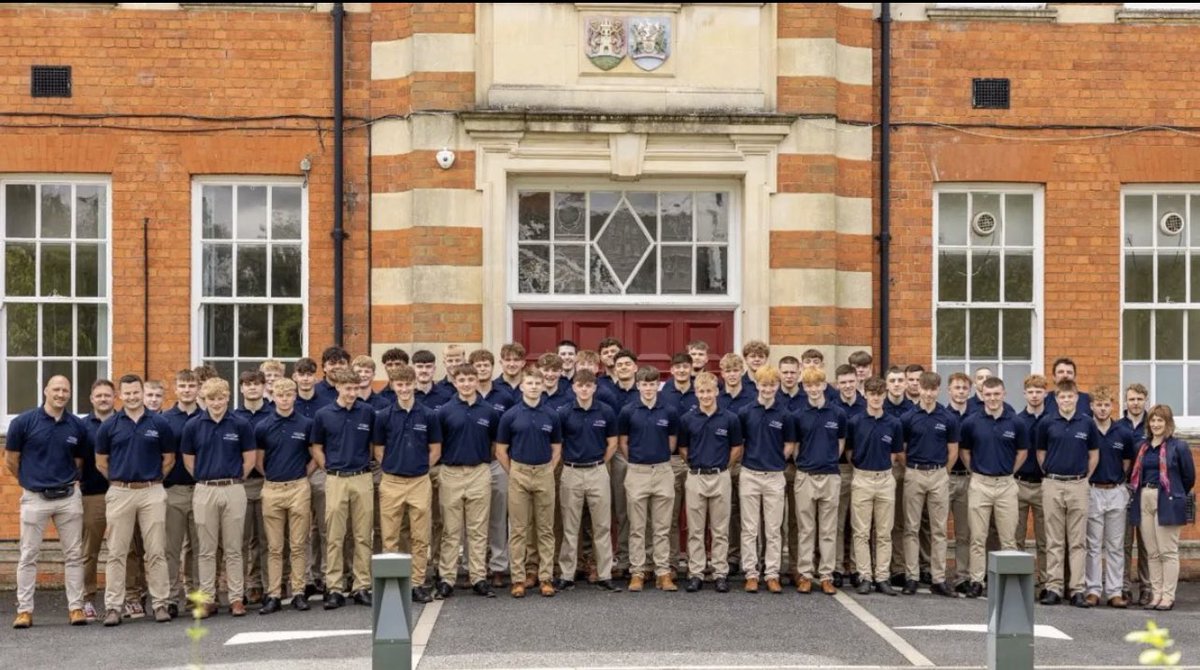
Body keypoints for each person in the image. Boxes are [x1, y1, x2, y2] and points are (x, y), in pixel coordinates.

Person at [7, 375, 90, 628]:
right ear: (45, 391)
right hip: (35, 497)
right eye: (56, 389)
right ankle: (24, 611)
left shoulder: (77, 426)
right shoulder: (24, 422)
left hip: (68, 498)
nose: (61, 394)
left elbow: (78, 461)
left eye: (65, 390)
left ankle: (76, 608)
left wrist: (68, 481)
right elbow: (11, 460)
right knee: (28, 555)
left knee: (74, 555)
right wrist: (30, 482)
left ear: (70, 394)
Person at [95, 374, 175, 626]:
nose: (131, 397)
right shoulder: (109, 425)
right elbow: (101, 462)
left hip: (152, 491)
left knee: (156, 551)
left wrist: (153, 481)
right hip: (120, 491)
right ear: (120, 395)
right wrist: (121, 482)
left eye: (135, 392)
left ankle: (160, 603)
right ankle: (113, 607)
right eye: (126, 393)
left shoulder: (159, 423)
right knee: (117, 552)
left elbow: (169, 458)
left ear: (142, 392)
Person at [182, 377, 256, 619]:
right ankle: (207, 599)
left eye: (220, 398)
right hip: (205, 489)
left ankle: (236, 598)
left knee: (235, 548)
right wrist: (206, 479)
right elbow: (189, 461)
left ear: (228, 397)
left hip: (233, 487)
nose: (216, 403)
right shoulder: (193, 426)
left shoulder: (240, 424)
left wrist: (235, 480)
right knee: (206, 550)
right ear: (204, 399)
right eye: (211, 399)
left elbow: (250, 459)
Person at [373, 365, 441, 604]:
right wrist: (394, 467)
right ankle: (393, 584)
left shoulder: (429, 415)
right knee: (390, 536)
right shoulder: (383, 416)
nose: (403, 389)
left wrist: (420, 467)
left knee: (420, 536)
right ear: (392, 385)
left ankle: (417, 583)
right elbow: (378, 450)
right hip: (391, 481)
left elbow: (435, 450)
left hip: (419, 481)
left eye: (407, 384)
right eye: (398, 384)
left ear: (414, 384)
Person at [311, 368, 376, 609]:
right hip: (336, 478)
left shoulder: (367, 412)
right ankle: (335, 587)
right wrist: (327, 466)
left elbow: (373, 444)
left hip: (362, 477)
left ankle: (361, 586)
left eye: (356, 389)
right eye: (347, 389)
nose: (352, 393)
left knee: (362, 535)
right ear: (338, 387)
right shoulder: (324, 414)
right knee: (335, 536)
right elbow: (316, 446)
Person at [434, 364, 500, 599]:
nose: (466, 384)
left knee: (478, 529)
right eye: (462, 380)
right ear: (455, 382)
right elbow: (437, 444)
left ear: (476, 381)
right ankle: (447, 578)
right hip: (451, 472)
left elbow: (495, 444)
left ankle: (478, 577)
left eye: (471, 380)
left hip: (479, 471)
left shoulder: (489, 411)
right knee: (451, 530)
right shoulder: (444, 411)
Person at [496, 366, 563, 598]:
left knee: (545, 529)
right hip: (519, 473)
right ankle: (518, 578)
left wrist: (547, 470)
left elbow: (556, 448)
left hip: (544, 471)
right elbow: (501, 450)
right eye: (530, 383)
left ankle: (545, 577)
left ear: (543, 386)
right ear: (522, 386)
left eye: (537, 383)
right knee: (518, 529)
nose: (534, 387)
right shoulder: (511, 415)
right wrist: (513, 471)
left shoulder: (552, 415)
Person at [958, 376, 1027, 598]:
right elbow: (965, 451)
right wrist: (975, 472)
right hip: (980, 483)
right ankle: (976, 580)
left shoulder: (1016, 422)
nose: (993, 398)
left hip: (1006, 484)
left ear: (1004, 394)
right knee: (978, 537)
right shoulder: (971, 421)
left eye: (997, 394)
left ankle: (1007, 584)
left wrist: (1009, 471)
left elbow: (1022, 452)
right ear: (982, 395)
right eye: (988, 394)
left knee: (1008, 538)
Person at [1036, 379, 1100, 607]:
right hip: (1053, 483)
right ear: (1056, 399)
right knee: (1054, 540)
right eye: (1062, 397)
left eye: (1070, 397)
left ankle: (1077, 590)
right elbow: (1041, 453)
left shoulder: (1087, 423)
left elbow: (1094, 454)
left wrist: (1084, 477)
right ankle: (1053, 587)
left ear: (1076, 398)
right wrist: (1051, 473)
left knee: (1077, 541)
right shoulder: (1046, 422)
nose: (1066, 400)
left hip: (1078, 485)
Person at [678, 372, 744, 593]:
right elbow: (683, 449)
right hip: (696, 475)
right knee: (695, 529)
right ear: (696, 393)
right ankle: (696, 572)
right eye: (701, 391)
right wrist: (695, 464)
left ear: (717, 391)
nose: (706, 395)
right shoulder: (687, 419)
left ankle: (720, 572)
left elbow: (737, 447)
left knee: (720, 528)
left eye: (709, 391)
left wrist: (725, 465)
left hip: (720, 476)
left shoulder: (729, 418)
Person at [556, 370, 620, 592]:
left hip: (597, 471)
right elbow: (558, 444)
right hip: (571, 471)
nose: (584, 389)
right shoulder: (563, 412)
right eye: (580, 385)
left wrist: (600, 462)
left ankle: (604, 574)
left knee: (602, 525)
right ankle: (567, 574)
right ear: (573, 387)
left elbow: (613, 442)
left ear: (595, 388)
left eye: (588, 386)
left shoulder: (606, 412)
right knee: (570, 526)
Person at [256, 378, 315, 614]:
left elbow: (313, 455)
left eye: (289, 395)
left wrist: (303, 475)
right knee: (274, 546)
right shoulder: (262, 425)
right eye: (280, 396)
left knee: (299, 544)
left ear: (294, 396)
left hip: (299, 487)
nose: (285, 399)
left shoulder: (306, 424)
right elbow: (259, 461)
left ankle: (299, 591)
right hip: (272, 488)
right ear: (274, 397)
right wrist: (271, 477)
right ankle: (274, 594)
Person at [1128, 404, 1195, 611]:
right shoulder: (1143, 447)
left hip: (1167, 498)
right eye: (1153, 420)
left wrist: (1173, 492)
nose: (1156, 424)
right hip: (1145, 497)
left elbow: (1188, 477)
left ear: (1168, 423)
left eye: (1160, 420)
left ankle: (1168, 595)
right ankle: (1156, 594)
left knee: (1167, 551)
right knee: (1152, 552)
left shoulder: (1179, 447)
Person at [618, 366, 680, 592]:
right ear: (638, 386)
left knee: (662, 526)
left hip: (663, 470)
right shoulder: (628, 411)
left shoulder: (669, 411)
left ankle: (662, 572)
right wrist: (635, 461)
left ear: (658, 386)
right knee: (637, 526)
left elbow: (672, 440)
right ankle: (638, 571)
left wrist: (660, 458)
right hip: (637, 471)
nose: (648, 388)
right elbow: (623, 442)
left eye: (652, 384)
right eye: (644, 384)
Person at [899, 371, 958, 597]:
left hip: (939, 475)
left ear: (938, 390)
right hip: (914, 472)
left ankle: (938, 578)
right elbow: (901, 449)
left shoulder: (947, 418)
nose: (929, 394)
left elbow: (953, 451)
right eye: (925, 389)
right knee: (911, 527)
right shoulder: (908, 417)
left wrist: (943, 472)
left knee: (939, 529)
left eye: (933, 390)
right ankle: (912, 576)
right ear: (918, 388)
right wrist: (911, 469)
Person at [737, 366, 794, 594]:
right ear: (757, 385)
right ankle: (751, 573)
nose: (768, 388)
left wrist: (776, 460)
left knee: (773, 529)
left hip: (774, 476)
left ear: (777, 386)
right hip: (750, 474)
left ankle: (771, 574)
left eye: (772, 385)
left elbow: (789, 444)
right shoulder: (745, 412)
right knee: (749, 528)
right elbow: (739, 442)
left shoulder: (785, 414)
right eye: (764, 384)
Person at [845, 376, 902, 596]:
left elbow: (895, 453)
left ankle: (882, 576)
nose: (876, 398)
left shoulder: (893, 423)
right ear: (865, 395)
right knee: (861, 532)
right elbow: (849, 451)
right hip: (862, 478)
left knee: (884, 532)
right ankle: (865, 576)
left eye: (880, 394)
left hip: (885, 479)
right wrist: (861, 468)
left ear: (885, 395)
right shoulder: (856, 422)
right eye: (872, 394)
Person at [792, 367, 846, 595]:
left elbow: (840, 442)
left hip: (831, 476)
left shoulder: (838, 413)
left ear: (825, 385)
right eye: (809, 385)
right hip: (805, 476)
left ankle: (826, 575)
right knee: (806, 529)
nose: (813, 389)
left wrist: (828, 460)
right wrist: (806, 463)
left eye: (817, 385)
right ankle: (805, 574)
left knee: (828, 529)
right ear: (804, 387)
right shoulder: (797, 415)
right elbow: (794, 447)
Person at [1083, 385, 1135, 608]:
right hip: (1093, 489)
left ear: (1112, 406)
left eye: (1106, 405)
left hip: (1115, 491)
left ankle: (1114, 591)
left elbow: (1127, 462)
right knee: (1093, 544)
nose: (1103, 409)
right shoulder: (1086, 429)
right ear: (1092, 406)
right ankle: (1092, 590)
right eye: (1099, 405)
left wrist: (1117, 482)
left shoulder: (1123, 432)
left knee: (1115, 545)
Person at [472, 348, 514, 588]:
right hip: (473, 465)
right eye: (477, 365)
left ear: (492, 367)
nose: (482, 369)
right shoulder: (462, 395)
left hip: (497, 463)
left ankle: (498, 565)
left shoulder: (505, 396)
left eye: (486, 365)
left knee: (498, 517)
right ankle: (473, 566)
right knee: (474, 521)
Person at [161, 370, 201, 619]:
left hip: (200, 490)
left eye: (191, 386)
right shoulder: (164, 420)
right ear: (176, 389)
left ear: (198, 389)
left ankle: (194, 597)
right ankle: (170, 598)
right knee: (171, 548)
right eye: (182, 386)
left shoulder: (207, 418)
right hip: (173, 490)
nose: (187, 390)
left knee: (198, 548)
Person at [235, 370, 274, 606]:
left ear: (263, 387)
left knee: (265, 539)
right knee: (240, 540)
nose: (252, 388)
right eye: (247, 384)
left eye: (256, 384)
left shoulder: (272, 414)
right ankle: (238, 588)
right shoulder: (233, 417)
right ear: (241, 388)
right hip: (241, 482)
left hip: (267, 481)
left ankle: (262, 585)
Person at [80, 379, 115, 622]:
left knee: (125, 550)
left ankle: (124, 598)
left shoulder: (124, 422)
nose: (103, 399)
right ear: (92, 399)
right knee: (89, 550)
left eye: (107, 395)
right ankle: (87, 598)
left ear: (115, 398)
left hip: (123, 493)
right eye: (99, 395)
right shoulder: (81, 426)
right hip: (92, 495)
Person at [1015, 374, 1051, 596]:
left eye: (1039, 391)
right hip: (1019, 482)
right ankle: (1019, 582)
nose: (1035, 396)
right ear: (1025, 394)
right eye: (1031, 392)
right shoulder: (1017, 420)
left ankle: (1046, 582)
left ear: (1045, 393)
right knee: (1016, 537)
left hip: (1044, 484)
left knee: (1044, 538)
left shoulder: (1052, 420)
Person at [1117, 383, 1151, 606]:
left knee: (1147, 542)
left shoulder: (1154, 424)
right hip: (1124, 488)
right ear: (1125, 401)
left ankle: (1147, 587)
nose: (1135, 403)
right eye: (1131, 399)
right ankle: (1124, 586)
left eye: (1139, 399)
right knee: (1124, 542)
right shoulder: (1118, 426)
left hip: (1147, 489)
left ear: (1145, 400)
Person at [607, 349, 641, 577]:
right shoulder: (607, 394)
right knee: (621, 510)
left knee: (642, 511)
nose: (624, 367)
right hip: (618, 455)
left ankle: (644, 561)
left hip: (645, 457)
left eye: (628, 363)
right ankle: (624, 558)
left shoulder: (646, 392)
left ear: (635, 367)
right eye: (619, 365)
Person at [945, 371, 975, 592]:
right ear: (949, 390)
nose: (961, 392)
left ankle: (962, 576)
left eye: (964, 388)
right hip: (945, 478)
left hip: (968, 479)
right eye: (957, 388)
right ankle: (938, 576)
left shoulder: (976, 418)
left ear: (970, 391)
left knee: (964, 532)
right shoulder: (942, 416)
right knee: (937, 530)